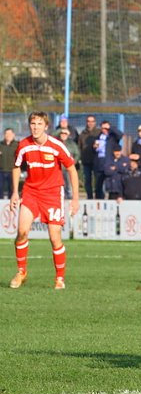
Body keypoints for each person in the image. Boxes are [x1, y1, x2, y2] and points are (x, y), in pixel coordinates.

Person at [9, 112, 79, 289]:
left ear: (46, 126)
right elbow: (16, 167)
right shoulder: (24, 145)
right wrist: (15, 193)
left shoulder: (57, 146)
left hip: (53, 194)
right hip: (31, 192)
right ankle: (21, 272)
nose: (35, 127)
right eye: (33, 123)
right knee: (22, 231)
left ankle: (59, 279)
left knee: (54, 238)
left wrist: (75, 199)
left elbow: (72, 169)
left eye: (39, 124)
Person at [77, 115, 99, 199]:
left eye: (92, 121)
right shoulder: (83, 133)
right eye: (88, 121)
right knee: (87, 181)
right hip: (86, 161)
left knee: (98, 181)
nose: (90, 123)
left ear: (95, 122)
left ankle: (99, 197)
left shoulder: (98, 132)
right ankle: (89, 197)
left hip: (97, 161)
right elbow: (79, 147)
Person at [57, 128, 80, 198]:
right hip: (58, 168)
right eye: (62, 133)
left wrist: (73, 162)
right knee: (59, 185)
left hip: (68, 168)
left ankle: (69, 198)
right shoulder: (57, 143)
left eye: (65, 133)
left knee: (68, 185)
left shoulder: (72, 144)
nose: (63, 135)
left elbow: (77, 154)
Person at [0, 128, 19, 198]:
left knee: (12, 190)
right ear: (4, 135)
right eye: (6, 134)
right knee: (0, 190)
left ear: (13, 135)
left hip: (13, 171)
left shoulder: (17, 145)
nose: (8, 135)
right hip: (1, 171)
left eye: (10, 134)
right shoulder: (0, 144)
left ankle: (11, 207)